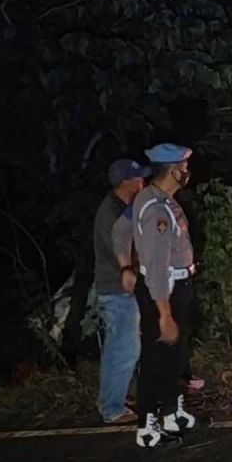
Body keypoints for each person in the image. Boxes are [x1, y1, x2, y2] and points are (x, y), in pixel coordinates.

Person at [132, 142, 199, 447]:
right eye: (184, 167)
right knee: (157, 357)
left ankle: (172, 414)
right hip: (164, 290)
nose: (187, 172)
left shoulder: (164, 200)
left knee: (174, 356)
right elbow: (157, 265)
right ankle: (147, 424)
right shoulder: (156, 209)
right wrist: (164, 313)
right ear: (173, 170)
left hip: (176, 287)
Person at [92, 158, 150, 425]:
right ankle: (112, 407)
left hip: (121, 288)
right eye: (139, 179)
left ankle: (115, 400)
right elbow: (122, 249)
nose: (143, 183)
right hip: (117, 290)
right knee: (123, 349)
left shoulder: (121, 208)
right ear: (127, 182)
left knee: (122, 347)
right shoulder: (111, 214)